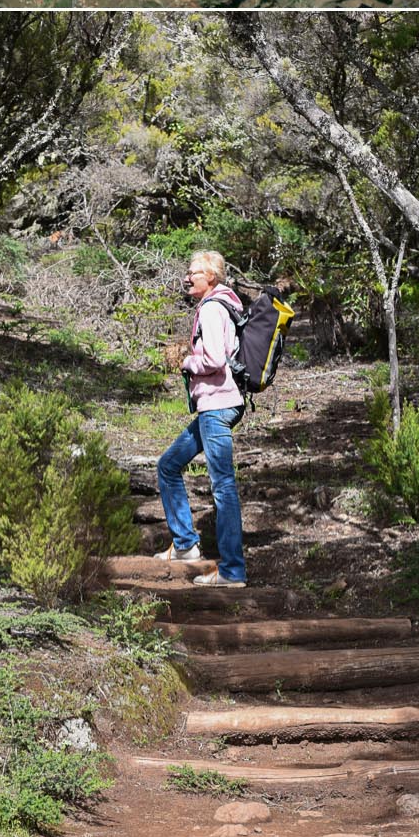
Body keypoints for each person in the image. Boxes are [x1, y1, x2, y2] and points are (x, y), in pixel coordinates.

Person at [157, 249, 250, 588]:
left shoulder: (212, 308)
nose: (188, 277)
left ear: (211, 277)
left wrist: (186, 362)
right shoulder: (223, 305)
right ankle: (185, 546)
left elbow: (212, 358)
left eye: (194, 272)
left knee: (223, 487)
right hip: (218, 404)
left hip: (216, 405)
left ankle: (232, 571)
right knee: (168, 466)